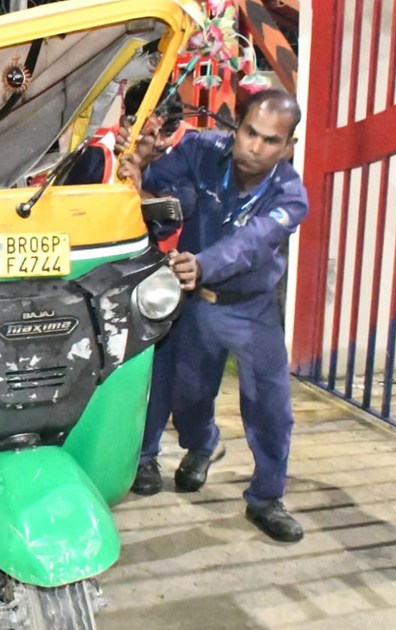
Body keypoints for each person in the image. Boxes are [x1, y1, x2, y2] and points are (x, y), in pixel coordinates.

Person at [119, 89, 308, 542]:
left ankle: (266, 499)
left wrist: (204, 263)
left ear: (288, 147)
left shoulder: (291, 197)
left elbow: (251, 244)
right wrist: (140, 168)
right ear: (235, 128)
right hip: (197, 302)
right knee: (187, 393)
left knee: (270, 409)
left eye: (269, 140)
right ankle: (201, 446)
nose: (255, 147)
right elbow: (162, 193)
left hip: (251, 310)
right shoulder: (202, 151)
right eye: (249, 133)